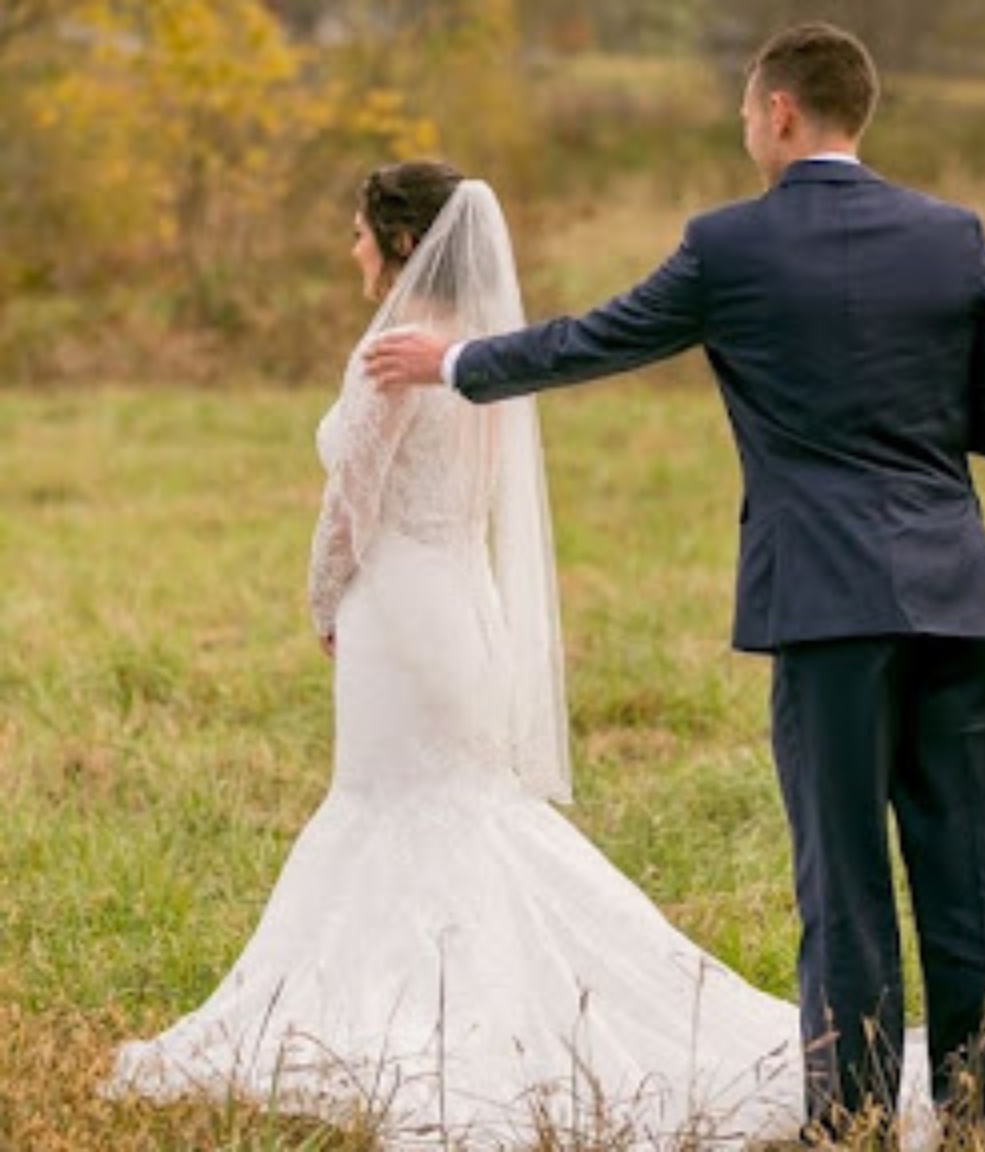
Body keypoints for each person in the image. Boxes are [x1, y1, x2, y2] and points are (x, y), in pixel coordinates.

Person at [363, 23, 985, 1148]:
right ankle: (983, 1123)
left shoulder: (729, 248)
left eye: (743, 114)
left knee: (844, 885)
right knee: (969, 879)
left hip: (823, 608)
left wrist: (454, 362)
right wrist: (907, 419)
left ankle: (854, 1124)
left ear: (779, 110)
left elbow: (597, 341)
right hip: (953, 598)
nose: (742, 131)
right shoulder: (953, 236)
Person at [106, 161, 804, 1147]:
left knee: (394, 808)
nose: (348, 247)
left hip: (398, 610)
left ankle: (432, 1023)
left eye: (358, 230)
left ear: (398, 243)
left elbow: (353, 498)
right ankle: (484, 1001)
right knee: (462, 811)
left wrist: (321, 603)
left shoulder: (389, 353)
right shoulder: (475, 355)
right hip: (463, 605)